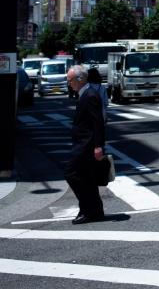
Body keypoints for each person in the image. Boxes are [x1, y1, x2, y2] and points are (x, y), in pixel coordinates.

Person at [64, 65, 106, 224]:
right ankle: (95, 211)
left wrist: (98, 146)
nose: (69, 83)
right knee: (87, 177)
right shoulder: (85, 94)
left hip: (86, 145)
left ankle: (88, 209)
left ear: (80, 79)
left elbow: (98, 123)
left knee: (71, 173)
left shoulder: (90, 95)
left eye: (70, 80)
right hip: (83, 143)